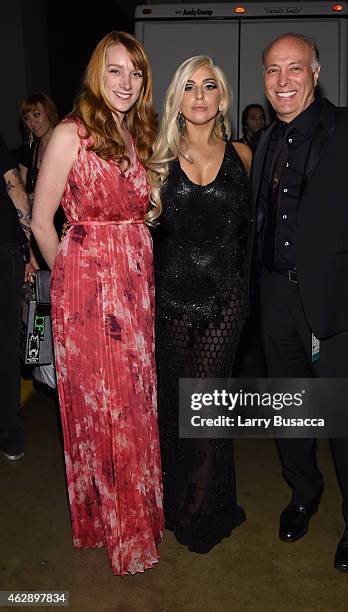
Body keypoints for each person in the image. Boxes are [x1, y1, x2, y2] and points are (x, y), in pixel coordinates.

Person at [251, 33, 348, 572]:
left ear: (315, 73)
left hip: (341, 307)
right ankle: (303, 493)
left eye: (294, 69)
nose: (283, 81)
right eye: (273, 70)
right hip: (274, 299)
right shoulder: (265, 141)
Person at [31, 31, 164, 575]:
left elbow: (142, 208)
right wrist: (72, 279)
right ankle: (117, 529)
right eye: (115, 71)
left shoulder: (138, 133)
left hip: (136, 285)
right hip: (89, 289)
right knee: (105, 406)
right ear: (96, 74)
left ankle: (132, 516)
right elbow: (42, 221)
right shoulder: (70, 133)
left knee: (134, 401)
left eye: (134, 73)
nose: (126, 83)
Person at [149, 55, 252, 553]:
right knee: (178, 403)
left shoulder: (244, 155)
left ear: (222, 98)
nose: (199, 95)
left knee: (204, 406)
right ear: (177, 98)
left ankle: (200, 505)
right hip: (168, 300)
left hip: (225, 300)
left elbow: (260, 232)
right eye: (189, 86)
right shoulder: (156, 159)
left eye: (209, 86)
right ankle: (183, 492)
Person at [0, 133, 36, 461]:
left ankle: (9, 429)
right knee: (7, 343)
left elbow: (16, 190)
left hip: (5, 248)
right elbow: (16, 192)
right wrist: (30, 249)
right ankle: (9, 430)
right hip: (6, 248)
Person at [19, 93, 59, 197]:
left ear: (49, 113)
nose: (32, 122)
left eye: (36, 115)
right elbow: (20, 189)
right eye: (27, 118)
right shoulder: (29, 149)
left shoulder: (65, 145)